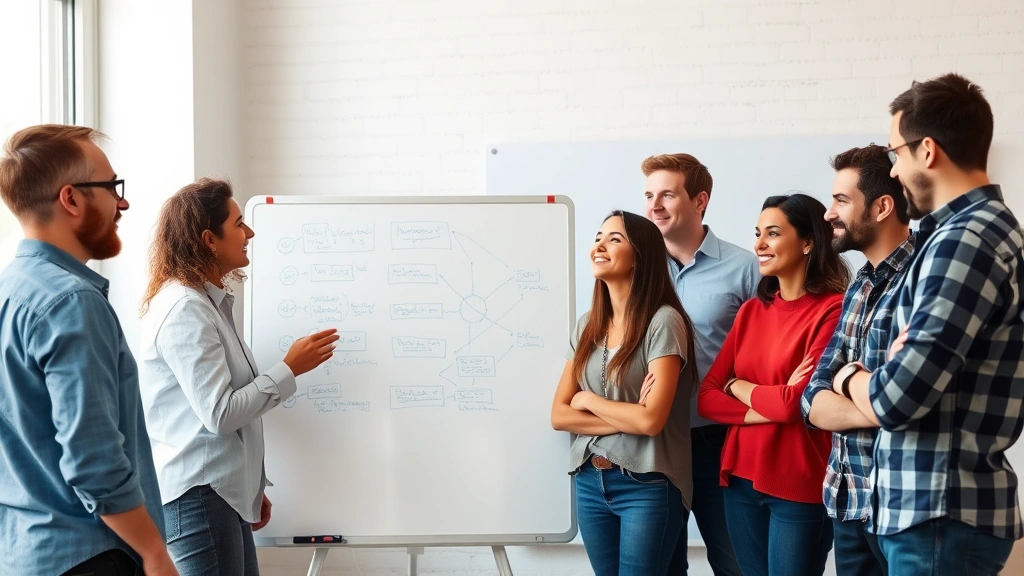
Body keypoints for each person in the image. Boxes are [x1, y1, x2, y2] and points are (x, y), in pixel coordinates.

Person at [840, 73, 1024, 575]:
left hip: (939, 512)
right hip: (934, 514)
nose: (894, 172)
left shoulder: (966, 238)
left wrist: (850, 375)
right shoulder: (959, 234)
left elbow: (894, 398)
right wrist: (885, 368)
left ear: (927, 151)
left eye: (896, 153)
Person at [138, 177, 339, 575]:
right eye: (239, 223)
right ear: (209, 239)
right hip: (200, 503)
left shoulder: (206, 305)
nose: (250, 232)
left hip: (218, 499)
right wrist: (288, 369)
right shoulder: (185, 310)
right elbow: (222, 413)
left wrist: (249, 487)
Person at [0, 125, 175, 575]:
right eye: (112, 187)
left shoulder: (8, 294)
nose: (124, 203)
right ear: (71, 199)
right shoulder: (71, 303)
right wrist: (155, 553)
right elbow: (94, 463)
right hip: (90, 556)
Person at [698, 193, 849, 576]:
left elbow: (795, 404)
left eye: (773, 233)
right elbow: (706, 398)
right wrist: (769, 405)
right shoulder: (751, 311)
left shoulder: (833, 309)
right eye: (758, 233)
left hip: (799, 481)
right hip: (740, 479)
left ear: (808, 242)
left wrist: (739, 386)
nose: (759, 244)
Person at [551, 210, 698, 576]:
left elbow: (650, 422)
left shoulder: (663, 322)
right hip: (589, 479)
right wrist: (626, 414)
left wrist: (587, 401)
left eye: (614, 239)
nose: (599, 245)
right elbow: (559, 415)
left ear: (640, 257)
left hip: (647, 484)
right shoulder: (587, 324)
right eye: (599, 236)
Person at [801, 144, 915, 576]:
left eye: (841, 200)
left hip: (900, 509)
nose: (829, 212)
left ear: (883, 206)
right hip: (849, 504)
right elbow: (812, 399)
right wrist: (869, 392)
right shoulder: (859, 285)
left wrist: (851, 385)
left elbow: (907, 399)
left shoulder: (922, 280)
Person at [642, 153, 756, 576]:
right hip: (654, 444)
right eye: (649, 195)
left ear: (700, 200)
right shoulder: (637, 271)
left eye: (667, 194)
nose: (654, 205)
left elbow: (764, 356)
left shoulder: (746, 268)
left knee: (734, 562)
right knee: (664, 567)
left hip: (719, 441)